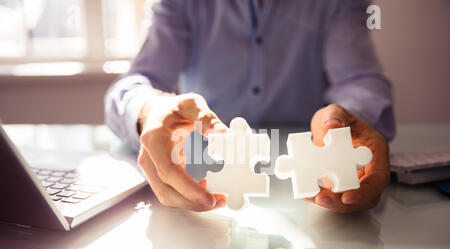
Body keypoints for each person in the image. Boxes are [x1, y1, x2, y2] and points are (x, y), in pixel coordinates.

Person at [105, 0, 394, 213]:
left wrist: (348, 123)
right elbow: (133, 85)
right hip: (203, 173)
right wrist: (150, 109)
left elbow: (360, 81)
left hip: (310, 186)